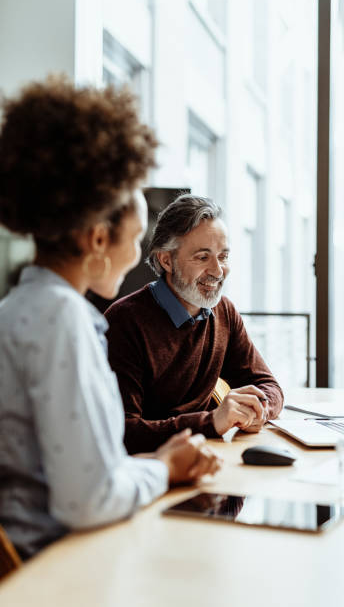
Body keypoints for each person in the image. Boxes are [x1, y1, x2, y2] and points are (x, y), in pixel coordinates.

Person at [0, 78, 221, 560]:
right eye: (138, 236)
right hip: (56, 564)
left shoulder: (18, 308)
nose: (142, 253)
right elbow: (90, 499)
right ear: (99, 241)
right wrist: (165, 467)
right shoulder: (62, 321)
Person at [105, 194, 284, 454]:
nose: (218, 270)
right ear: (166, 260)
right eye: (203, 258)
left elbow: (269, 386)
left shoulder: (224, 311)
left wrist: (258, 409)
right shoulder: (124, 322)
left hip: (210, 462)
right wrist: (212, 422)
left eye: (223, 256)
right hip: (155, 475)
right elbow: (124, 432)